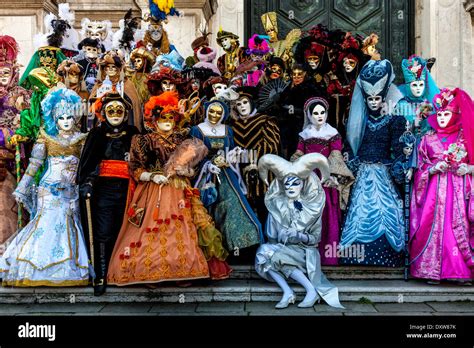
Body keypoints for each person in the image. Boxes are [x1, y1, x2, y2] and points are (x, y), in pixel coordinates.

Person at [107, 92, 230, 285]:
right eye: (162, 117)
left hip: (179, 188)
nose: (167, 121)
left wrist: (185, 170)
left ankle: (180, 271)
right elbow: (135, 166)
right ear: (154, 120)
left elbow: (195, 167)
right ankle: (150, 271)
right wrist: (152, 175)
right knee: (153, 229)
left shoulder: (183, 139)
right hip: (152, 190)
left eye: (170, 117)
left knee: (180, 229)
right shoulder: (144, 140)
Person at [0, 88, 93, 286]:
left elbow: (86, 167)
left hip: (71, 191)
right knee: (45, 227)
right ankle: (34, 266)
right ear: (54, 118)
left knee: (68, 226)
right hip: (48, 191)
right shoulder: (45, 138)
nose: (66, 121)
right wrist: (23, 186)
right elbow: (34, 165)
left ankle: (65, 269)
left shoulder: (83, 139)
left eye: (69, 116)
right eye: (61, 117)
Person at [339, 59, 406, 267]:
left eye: (377, 98)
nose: (374, 102)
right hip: (363, 172)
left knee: (387, 212)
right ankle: (356, 255)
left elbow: (398, 147)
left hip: (384, 172)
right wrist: (352, 160)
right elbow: (350, 144)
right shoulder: (359, 120)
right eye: (370, 99)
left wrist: (400, 165)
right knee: (360, 212)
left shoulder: (394, 120)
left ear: (383, 97)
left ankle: (387, 256)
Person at [255, 153, 344, 309]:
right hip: (285, 248)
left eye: (295, 183)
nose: (290, 187)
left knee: (277, 257)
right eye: (286, 184)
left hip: (305, 252)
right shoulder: (277, 206)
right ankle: (287, 291)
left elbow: (315, 239)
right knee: (263, 252)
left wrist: (298, 234)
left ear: (302, 184)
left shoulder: (312, 208)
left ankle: (311, 289)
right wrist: (279, 231)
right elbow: (272, 237)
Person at [77, 92, 139, 295]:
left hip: (129, 188)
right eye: (110, 110)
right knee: (103, 231)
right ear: (103, 113)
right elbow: (88, 163)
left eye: (119, 110)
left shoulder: (133, 133)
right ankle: (101, 275)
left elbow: (143, 158)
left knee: (126, 230)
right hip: (104, 190)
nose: (115, 114)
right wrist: (87, 182)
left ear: (125, 113)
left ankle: (122, 271)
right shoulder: (96, 134)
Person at [410, 88, 474, 284]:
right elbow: (420, 164)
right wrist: (432, 168)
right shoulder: (427, 139)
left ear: (456, 115)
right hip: (433, 193)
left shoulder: (467, 138)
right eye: (440, 114)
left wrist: (469, 168)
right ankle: (431, 270)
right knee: (433, 227)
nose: (443, 118)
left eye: (447, 114)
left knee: (457, 228)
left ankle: (458, 271)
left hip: (458, 191)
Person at [190, 100, 263, 255]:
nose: (214, 115)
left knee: (233, 205)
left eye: (218, 112)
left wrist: (233, 155)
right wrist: (208, 164)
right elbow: (193, 156)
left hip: (226, 174)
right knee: (207, 208)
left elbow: (231, 149)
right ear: (206, 111)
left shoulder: (228, 130)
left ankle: (237, 247)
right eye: (211, 111)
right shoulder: (196, 130)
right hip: (206, 175)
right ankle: (210, 251)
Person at [291, 97, 354, 265]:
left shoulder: (332, 134)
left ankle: (327, 255)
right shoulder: (304, 135)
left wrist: (330, 175)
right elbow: (298, 154)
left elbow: (335, 155)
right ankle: (305, 255)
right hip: (307, 177)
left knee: (327, 214)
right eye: (315, 113)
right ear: (309, 116)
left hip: (326, 176)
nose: (319, 116)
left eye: (322, 112)